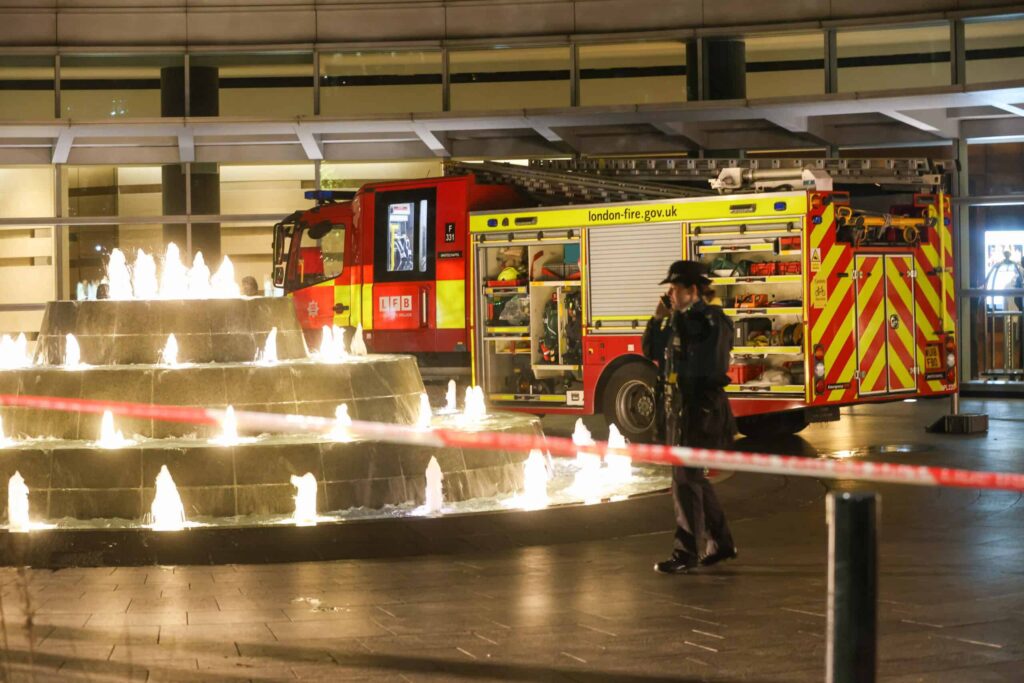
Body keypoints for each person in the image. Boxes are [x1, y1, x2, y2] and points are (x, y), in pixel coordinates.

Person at [642, 260, 737, 574]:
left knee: (684, 480)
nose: (669, 294)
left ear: (692, 290)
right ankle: (720, 543)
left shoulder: (712, 320)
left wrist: (679, 322)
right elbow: (650, 350)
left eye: (674, 288)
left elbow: (708, 360)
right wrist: (658, 319)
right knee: (692, 478)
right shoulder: (676, 320)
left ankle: (686, 553)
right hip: (680, 410)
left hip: (701, 410)